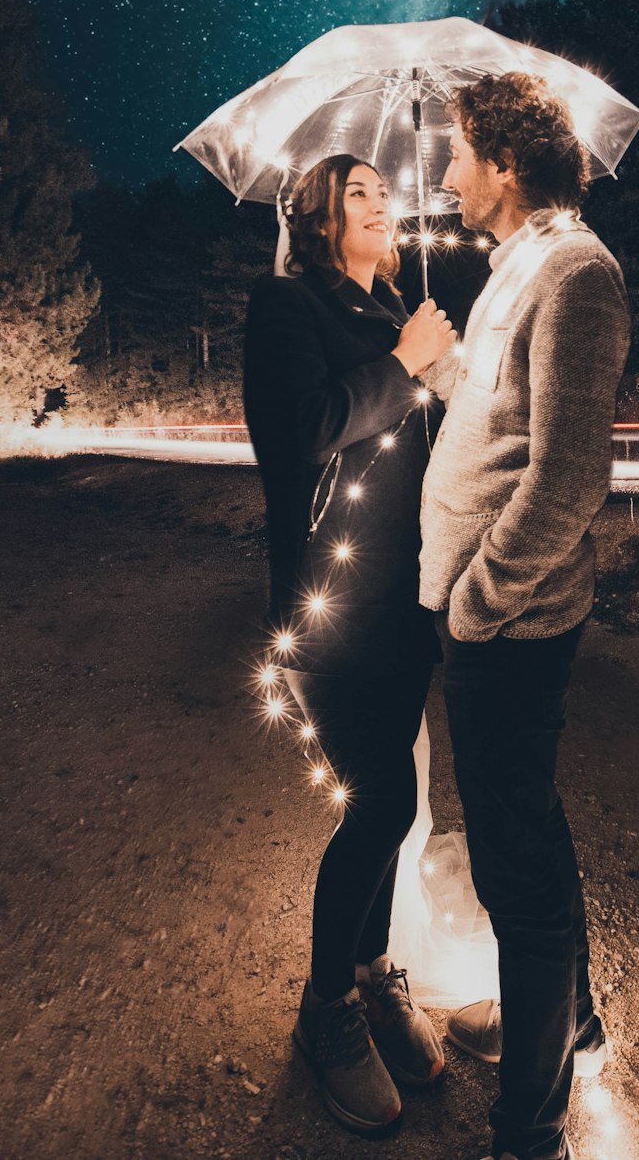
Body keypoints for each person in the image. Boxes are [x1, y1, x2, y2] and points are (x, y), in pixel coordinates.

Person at [419, 73, 631, 1160]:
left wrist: (475, 603)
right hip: (492, 623)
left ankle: (531, 1126)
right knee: (531, 833)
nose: (445, 173)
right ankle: (568, 1026)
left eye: (458, 153)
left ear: (506, 164)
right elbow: (498, 424)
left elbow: (568, 479)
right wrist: (444, 363)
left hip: (511, 627)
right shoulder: (516, 269)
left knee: (515, 868)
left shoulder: (578, 275)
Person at [242, 154, 456, 1136]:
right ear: (319, 217)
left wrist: (445, 381)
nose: (382, 203)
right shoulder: (286, 307)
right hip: (332, 612)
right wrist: (405, 366)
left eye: (386, 191)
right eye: (357, 191)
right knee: (383, 807)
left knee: (393, 811)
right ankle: (324, 1010)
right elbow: (301, 433)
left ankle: (372, 978)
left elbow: (427, 458)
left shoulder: (398, 319)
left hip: (407, 608)